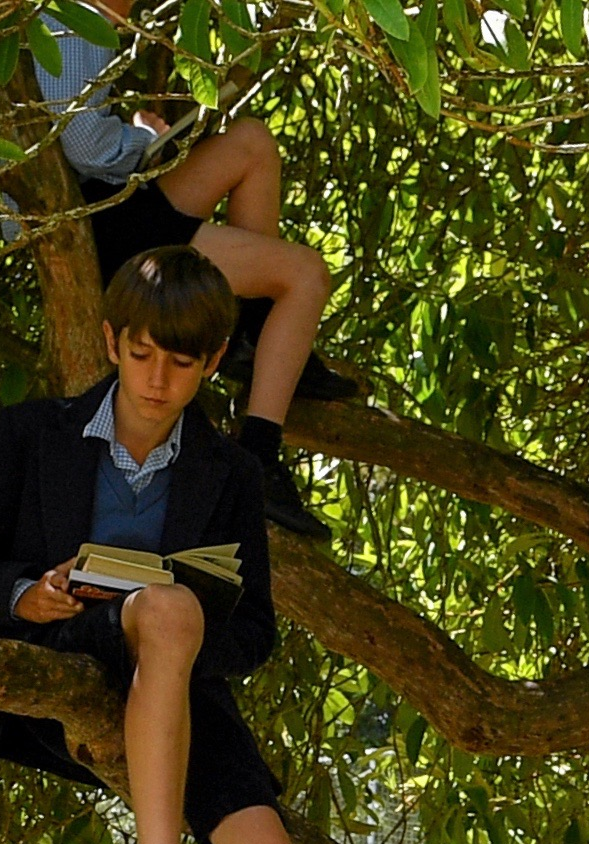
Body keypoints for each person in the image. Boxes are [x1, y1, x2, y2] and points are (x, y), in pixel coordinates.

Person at [0, 245, 326, 844]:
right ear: (111, 340)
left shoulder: (233, 471)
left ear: (213, 361)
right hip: (63, 651)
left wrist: (184, 630)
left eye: (180, 362)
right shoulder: (26, 432)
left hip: (177, 677)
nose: (155, 379)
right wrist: (23, 594)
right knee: (170, 610)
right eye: (140, 354)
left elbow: (257, 633)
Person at [33, 18, 358, 531]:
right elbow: (85, 145)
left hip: (113, 205)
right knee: (306, 275)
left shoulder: (81, 20)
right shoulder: (70, 21)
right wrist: (143, 138)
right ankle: (258, 455)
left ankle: (253, 334)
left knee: (251, 142)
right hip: (98, 226)